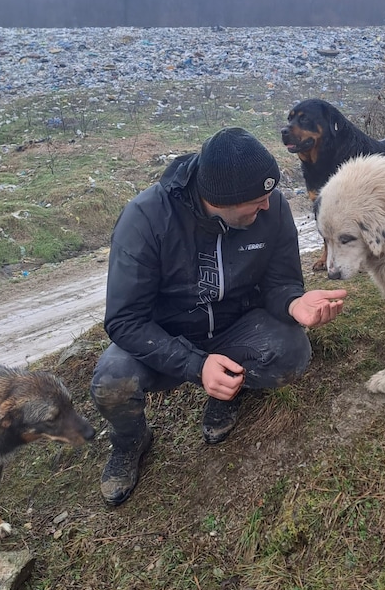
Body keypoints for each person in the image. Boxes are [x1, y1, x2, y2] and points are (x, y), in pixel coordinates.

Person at [90, 127, 346, 505]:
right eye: (257, 200)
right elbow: (125, 321)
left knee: (291, 353)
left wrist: (294, 303)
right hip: (165, 334)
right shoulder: (146, 219)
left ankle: (229, 390)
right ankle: (131, 442)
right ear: (220, 200)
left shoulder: (271, 209)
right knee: (111, 383)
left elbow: (280, 283)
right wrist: (197, 364)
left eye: (269, 195)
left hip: (235, 326)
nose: (267, 206)